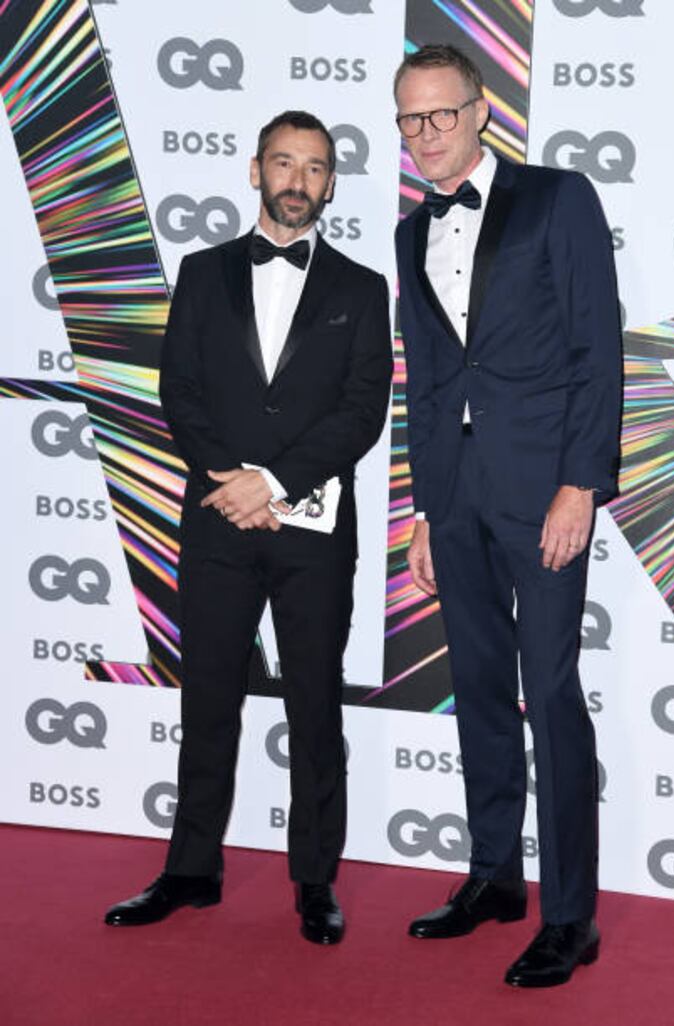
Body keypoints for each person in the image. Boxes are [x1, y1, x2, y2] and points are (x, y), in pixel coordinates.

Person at [104, 110, 393, 945]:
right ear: (255, 169)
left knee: (314, 710)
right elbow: (178, 392)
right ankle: (190, 870)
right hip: (219, 526)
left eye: (313, 167)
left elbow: (361, 411)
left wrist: (273, 482)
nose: (297, 180)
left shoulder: (363, 288)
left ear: (331, 182)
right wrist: (233, 486)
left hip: (314, 533)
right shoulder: (201, 273)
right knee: (208, 705)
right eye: (283, 162)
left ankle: (314, 881)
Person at [393, 45, 621, 987]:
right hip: (457, 496)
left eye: (441, 115)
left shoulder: (557, 198)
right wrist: (421, 506)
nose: (426, 136)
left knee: (551, 695)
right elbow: (428, 378)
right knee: (481, 692)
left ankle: (571, 916)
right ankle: (494, 876)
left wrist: (581, 483)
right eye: (410, 120)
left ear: (482, 113)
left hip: (543, 494)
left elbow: (597, 347)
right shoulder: (411, 234)